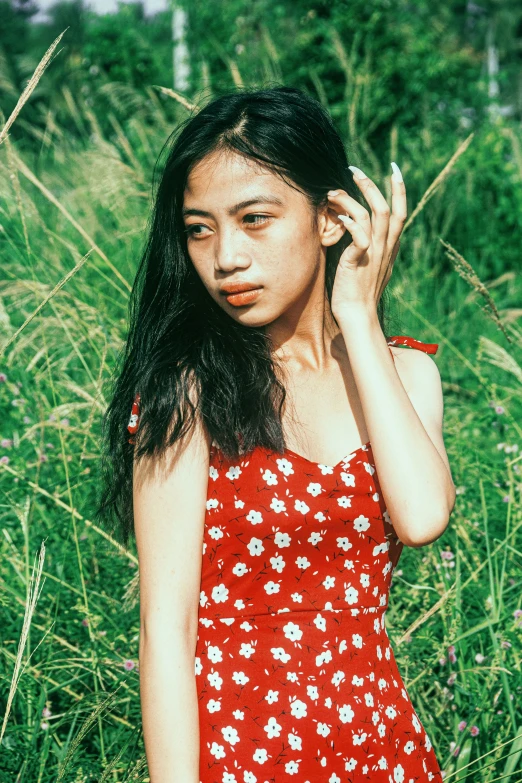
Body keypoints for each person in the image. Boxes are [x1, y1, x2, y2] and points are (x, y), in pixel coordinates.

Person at [96, 85, 455, 782]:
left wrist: (356, 312)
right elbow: (164, 632)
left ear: (330, 219)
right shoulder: (188, 391)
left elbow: (421, 516)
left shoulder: (404, 373)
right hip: (240, 757)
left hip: (378, 745)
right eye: (199, 228)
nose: (225, 256)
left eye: (254, 219)